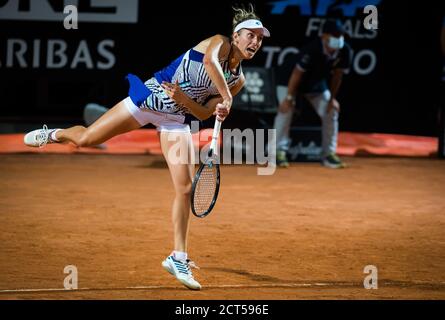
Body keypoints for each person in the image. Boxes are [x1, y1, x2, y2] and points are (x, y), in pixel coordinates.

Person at [23, 4, 270, 290]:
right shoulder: (219, 43)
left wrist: (200, 102)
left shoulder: (237, 80)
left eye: (260, 39)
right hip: (149, 100)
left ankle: (178, 257)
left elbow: (202, 114)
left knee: (185, 188)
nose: (255, 42)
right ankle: (55, 135)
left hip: (176, 120)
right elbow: (209, 64)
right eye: (250, 36)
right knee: (86, 139)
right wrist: (225, 98)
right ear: (236, 36)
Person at [273, 18, 352, 168]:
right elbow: (297, 73)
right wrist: (289, 97)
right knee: (286, 108)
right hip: (288, 80)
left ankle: (328, 154)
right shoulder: (312, 48)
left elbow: (337, 75)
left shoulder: (345, 50)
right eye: (335, 34)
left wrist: (332, 99)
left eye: (340, 34)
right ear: (324, 36)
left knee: (332, 111)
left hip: (315, 84)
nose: (339, 38)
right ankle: (278, 152)